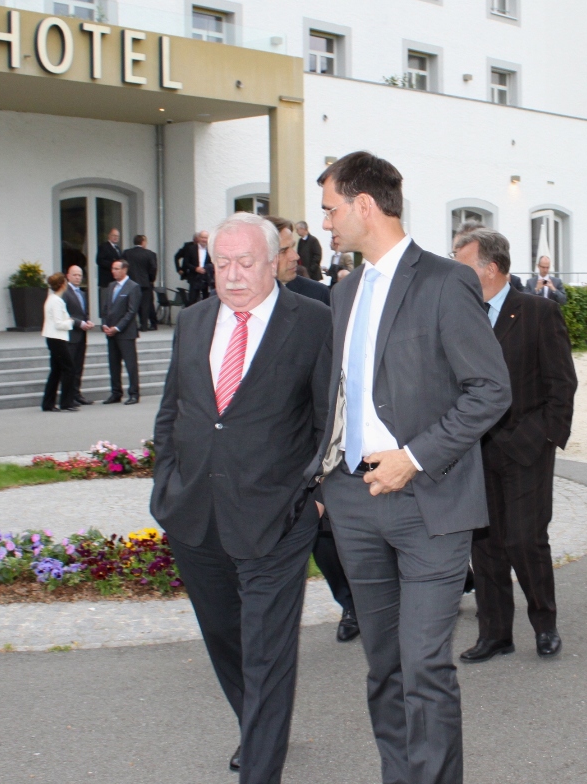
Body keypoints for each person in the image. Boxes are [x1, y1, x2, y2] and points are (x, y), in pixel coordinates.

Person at [312, 151, 511, 784]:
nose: (325, 222)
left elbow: (490, 390)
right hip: (353, 501)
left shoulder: (445, 281)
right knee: (385, 667)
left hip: (429, 501)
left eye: (331, 209)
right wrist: (323, 474)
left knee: (425, 666)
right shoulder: (345, 291)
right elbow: (342, 394)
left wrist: (414, 458)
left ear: (364, 205)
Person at [150, 213, 333, 781]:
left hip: (278, 516)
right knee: (225, 638)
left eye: (245, 262)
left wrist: (318, 496)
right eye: (221, 263)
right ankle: (257, 726)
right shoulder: (195, 320)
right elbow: (173, 409)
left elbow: (330, 418)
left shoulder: (315, 322)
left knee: (267, 650)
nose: (231, 275)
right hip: (194, 514)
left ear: (274, 261)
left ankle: (261, 763)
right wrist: (166, 483)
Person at [451, 226, 577, 664]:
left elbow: (562, 383)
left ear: (491, 268)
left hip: (525, 449)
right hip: (473, 451)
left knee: (526, 541)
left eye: (462, 265)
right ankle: (495, 634)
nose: (454, 274)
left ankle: (545, 625)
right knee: (485, 547)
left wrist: (544, 438)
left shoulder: (538, 312)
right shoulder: (458, 315)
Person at [266, 216, 354, 639]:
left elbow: (335, 383)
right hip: (264, 460)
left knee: (328, 535)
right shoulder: (227, 310)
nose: (295, 257)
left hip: (313, 451)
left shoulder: (318, 300)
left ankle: (353, 605)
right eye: (286, 249)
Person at [100, 259, 141, 404]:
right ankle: (116, 392)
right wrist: (104, 324)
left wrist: (117, 328)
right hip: (110, 332)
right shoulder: (111, 286)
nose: (113, 271)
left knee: (130, 364)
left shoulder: (133, 287)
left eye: (117, 269)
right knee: (114, 364)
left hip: (126, 333)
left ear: (125, 270)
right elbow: (106, 308)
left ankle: (134, 393)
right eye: (113, 268)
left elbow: (131, 311)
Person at [270, 217, 331, 306]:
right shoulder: (248, 299)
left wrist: (311, 269)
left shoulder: (317, 295)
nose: (296, 256)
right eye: (283, 251)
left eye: (292, 247)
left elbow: (317, 255)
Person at [40, 272, 78, 412]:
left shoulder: (51, 299)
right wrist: (70, 322)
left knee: (56, 371)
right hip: (57, 338)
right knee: (69, 368)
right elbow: (58, 323)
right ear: (62, 284)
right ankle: (66, 402)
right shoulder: (57, 301)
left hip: (53, 337)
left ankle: (48, 403)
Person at [62, 264, 97, 406]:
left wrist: (87, 321)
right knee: (70, 367)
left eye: (80, 275)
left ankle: (76, 393)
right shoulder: (65, 292)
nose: (77, 278)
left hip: (81, 335)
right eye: (75, 275)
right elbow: (64, 315)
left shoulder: (82, 293)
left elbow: (83, 312)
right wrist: (79, 323)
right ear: (68, 276)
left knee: (78, 366)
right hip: (70, 335)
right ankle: (69, 396)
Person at [123, 235, 160, 330]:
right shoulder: (150, 254)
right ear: (143, 242)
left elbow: (123, 266)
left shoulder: (127, 253)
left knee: (132, 304)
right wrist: (151, 279)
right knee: (145, 304)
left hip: (131, 282)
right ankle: (144, 325)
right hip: (145, 283)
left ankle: (132, 324)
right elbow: (153, 268)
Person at [175, 230, 214, 303]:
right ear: (198, 238)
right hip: (194, 278)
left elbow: (212, 263)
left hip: (205, 278)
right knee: (192, 300)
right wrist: (195, 268)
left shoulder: (210, 250)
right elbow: (186, 263)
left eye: (206, 238)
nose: (204, 240)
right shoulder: (191, 249)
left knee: (206, 300)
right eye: (202, 237)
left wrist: (207, 269)